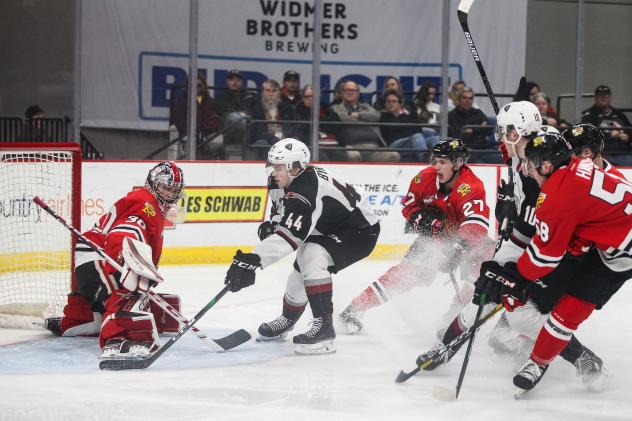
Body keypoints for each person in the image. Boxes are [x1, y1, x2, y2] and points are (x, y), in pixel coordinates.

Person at [415, 103, 610, 393]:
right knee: (484, 291)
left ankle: (583, 358)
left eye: (505, 130)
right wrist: (502, 255)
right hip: (528, 240)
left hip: (562, 250)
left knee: (523, 312)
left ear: (517, 131)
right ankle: (446, 347)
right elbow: (524, 225)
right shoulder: (523, 158)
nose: (500, 136)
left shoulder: (550, 157)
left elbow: (585, 184)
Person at [488, 132, 632, 395]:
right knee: (550, 299)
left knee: (565, 314)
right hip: (600, 244)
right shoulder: (579, 165)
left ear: (546, 165)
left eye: (532, 164)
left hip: (618, 257)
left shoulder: (559, 194)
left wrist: (516, 274)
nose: (528, 170)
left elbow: (545, 256)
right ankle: (536, 356)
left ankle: (539, 361)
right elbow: (583, 221)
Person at [223, 138, 381, 354]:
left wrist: (254, 260)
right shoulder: (280, 179)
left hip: (360, 231)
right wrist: (273, 224)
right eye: (271, 165)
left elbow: (292, 235)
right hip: (329, 226)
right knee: (304, 264)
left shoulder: (306, 189)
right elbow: (281, 209)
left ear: (295, 168)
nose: (273, 171)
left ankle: (324, 330)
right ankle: (288, 319)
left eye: (278, 167)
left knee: (312, 254)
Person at [338, 138, 493, 334]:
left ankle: (451, 321)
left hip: (467, 240)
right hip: (435, 237)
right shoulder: (423, 178)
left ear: (458, 163)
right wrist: (424, 220)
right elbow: (409, 207)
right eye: (435, 160)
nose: (436, 166)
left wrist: (459, 249)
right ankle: (354, 309)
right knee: (405, 274)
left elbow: (476, 224)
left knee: (484, 269)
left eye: (442, 162)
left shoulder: (471, 186)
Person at [44, 162, 186, 359]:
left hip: (96, 256)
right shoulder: (146, 205)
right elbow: (123, 233)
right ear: (153, 184)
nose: (170, 194)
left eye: (173, 190)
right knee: (128, 292)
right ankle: (119, 339)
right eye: (165, 187)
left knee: (126, 287)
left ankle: (82, 319)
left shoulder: (150, 205)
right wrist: (124, 263)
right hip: (101, 255)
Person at [329, 80, 400, 162]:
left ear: (358, 93)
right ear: (341, 93)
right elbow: (343, 117)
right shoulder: (335, 108)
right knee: (352, 156)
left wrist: (358, 115)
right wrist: (366, 119)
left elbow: (376, 116)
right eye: (347, 90)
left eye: (353, 90)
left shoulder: (366, 106)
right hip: (351, 147)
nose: (350, 92)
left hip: (374, 149)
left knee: (394, 155)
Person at [170, 74, 222, 159]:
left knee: (218, 141)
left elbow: (216, 120)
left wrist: (205, 130)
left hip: (208, 134)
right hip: (188, 134)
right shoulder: (181, 103)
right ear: (188, 87)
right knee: (188, 141)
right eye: (193, 86)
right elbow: (180, 123)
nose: (196, 88)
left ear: (204, 86)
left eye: (199, 85)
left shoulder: (211, 102)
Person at [379, 90, 439, 161]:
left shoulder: (406, 116)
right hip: (394, 145)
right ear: (385, 104)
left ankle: (440, 159)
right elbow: (391, 132)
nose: (391, 103)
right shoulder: (383, 116)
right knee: (417, 136)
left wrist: (405, 129)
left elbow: (418, 128)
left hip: (412, 141)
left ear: (400, 104)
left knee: (436, 139)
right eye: (388, 101)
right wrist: (408, 127)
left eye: (394, 101)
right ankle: (424, 159)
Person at [248, 79, 297, 160]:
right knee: (260, 143)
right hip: (266, 140)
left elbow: (294, 127)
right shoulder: (255, 107)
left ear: (279, 93)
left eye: (274, 91)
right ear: (263, 92)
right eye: (268, 91)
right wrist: (273, 139)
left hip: (284, 141)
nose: (271, 94)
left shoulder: (287, 108)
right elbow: (254, 132)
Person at [581, 85, 632, 161]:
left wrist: (628, 136)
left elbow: (630, 130)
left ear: (610, 97)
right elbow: (587, 135)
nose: (603, 97)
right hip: (601, 154)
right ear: (595, 98)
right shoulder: (588, 115)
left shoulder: (619, 114)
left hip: (623, 153)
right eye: (600, 95)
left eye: (606, 95)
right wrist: (610, 135)